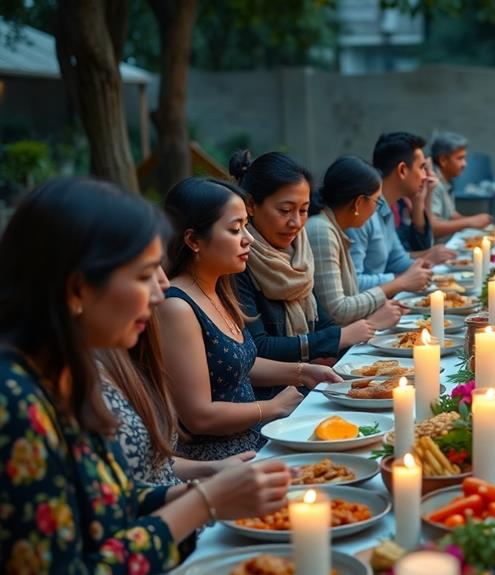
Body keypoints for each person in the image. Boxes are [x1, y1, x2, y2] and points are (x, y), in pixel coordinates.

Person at [0, 178, 290, 573]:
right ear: (77, 288)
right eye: (143, 275)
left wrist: (207, 485)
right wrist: (202, 502)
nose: (161, 291)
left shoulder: (66, 369)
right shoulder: (15, 402)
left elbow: (112, 503)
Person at [158, 177, 338, 461]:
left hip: (255, 440)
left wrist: (303, 371)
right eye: (234, 229)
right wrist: (272, 408)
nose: (249, 238)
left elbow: (241, 363)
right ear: (193, 240)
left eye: (245, 225)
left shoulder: (219, 287)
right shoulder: (177, 307)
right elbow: (199, 416)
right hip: (220, 460)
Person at [95, 268, 256, 486]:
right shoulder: (78, 379)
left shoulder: (120, 356)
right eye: (144, 272)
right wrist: (206, 498)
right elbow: (122, 505)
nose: (163, 284)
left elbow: (155, 466)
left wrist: (213, 470)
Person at [229, 151, 378, 379]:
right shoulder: (239, 260)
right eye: (285, 211)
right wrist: (338, 338)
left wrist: (343, 336)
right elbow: (258, 347)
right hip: (275, 394)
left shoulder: (298, 252)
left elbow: (320, 320)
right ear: (251, 205)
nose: (296, 223)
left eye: (303, 210)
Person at [306, 156, 427, 326]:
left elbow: (351, 294)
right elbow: (338, 310)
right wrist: (400, 283)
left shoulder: (333, 227)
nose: (376, 210)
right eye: (376, 202)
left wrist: (383, 306)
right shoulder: (321, 230)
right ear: (358, 203)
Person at [368, 131, 457, 260]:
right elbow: (363, 276)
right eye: (422, 168)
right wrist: (426, 257)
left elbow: (398, 257)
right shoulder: (368, 211)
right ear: (402, 170)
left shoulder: (389, 207)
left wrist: (419, 201)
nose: (426, 176)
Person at [427, 132, 493, 241]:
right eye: (459, 158)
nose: (464, 164)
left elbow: (451, 215)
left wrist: (476, 221)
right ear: (443, 160)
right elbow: (431, 228)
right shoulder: (433, 184)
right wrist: (469, 222)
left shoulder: (446, 181)